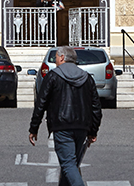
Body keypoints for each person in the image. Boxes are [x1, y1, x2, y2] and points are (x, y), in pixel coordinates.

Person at [29, 46, 102, 186]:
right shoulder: (87, 77)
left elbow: (41, 103)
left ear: (62, 57)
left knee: (68, 165)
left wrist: (34, 128)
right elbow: (96, 107)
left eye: (56, 57)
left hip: (61, 126)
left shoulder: (53, 76)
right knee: (70, 165)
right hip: (82, 127)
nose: (55, 60)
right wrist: (93, 130)